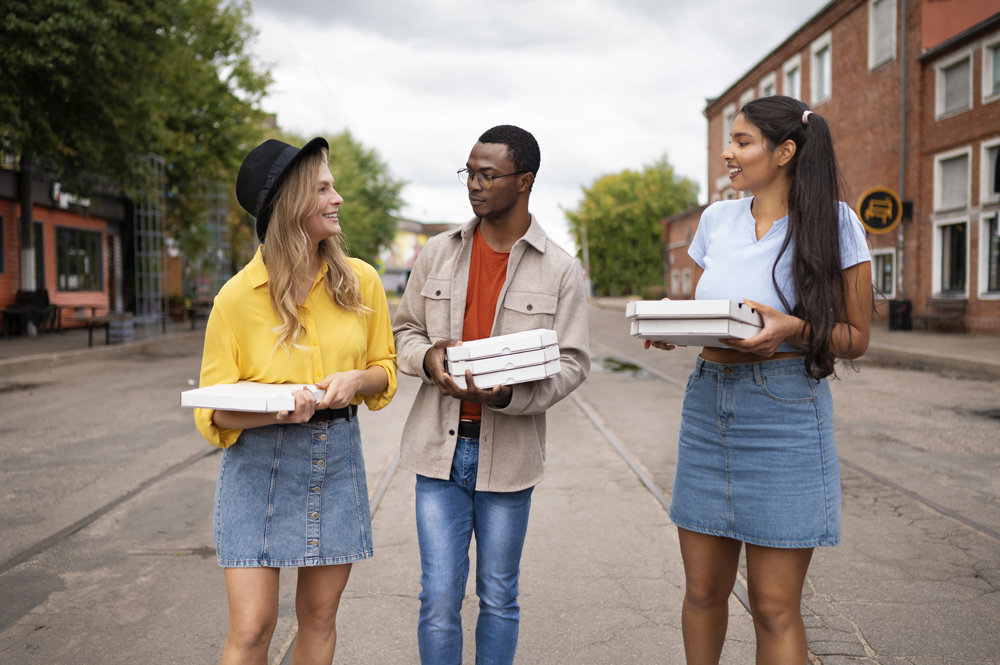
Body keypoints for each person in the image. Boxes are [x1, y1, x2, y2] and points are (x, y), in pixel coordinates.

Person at [645, 96, 872, 665]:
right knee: (702, 591)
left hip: (785, 410)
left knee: (773, 607)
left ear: (785, 151)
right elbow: (706, 308)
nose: (728, 153)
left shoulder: (836, 223)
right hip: (707, 405)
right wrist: (676, 327)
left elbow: (856, 336)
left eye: (742, 142)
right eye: (730, 141)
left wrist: (792, 328)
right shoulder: (716, 221)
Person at [194, 137, 397, 665]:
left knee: (320, 619)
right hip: (258, 465)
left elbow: (387, 370)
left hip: (336, 459)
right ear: (291, 206)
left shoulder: (362, 282)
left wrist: (356, 380)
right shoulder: (236, 299)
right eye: (324, 188)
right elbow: (211, 411)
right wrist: (274, 409)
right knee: (253, 628)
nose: (338, 198)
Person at [392, 125, 590, 665]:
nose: (474, 185)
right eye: (469, 173)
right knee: (437, 597)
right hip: (438, 453)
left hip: (508, 457)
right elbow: (403, 332)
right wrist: (429, 358)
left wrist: (509, 397)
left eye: (488, 175)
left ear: (524, 181)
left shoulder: (560, 269)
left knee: (498, 597)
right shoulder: (438, 253)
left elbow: (572, 363)